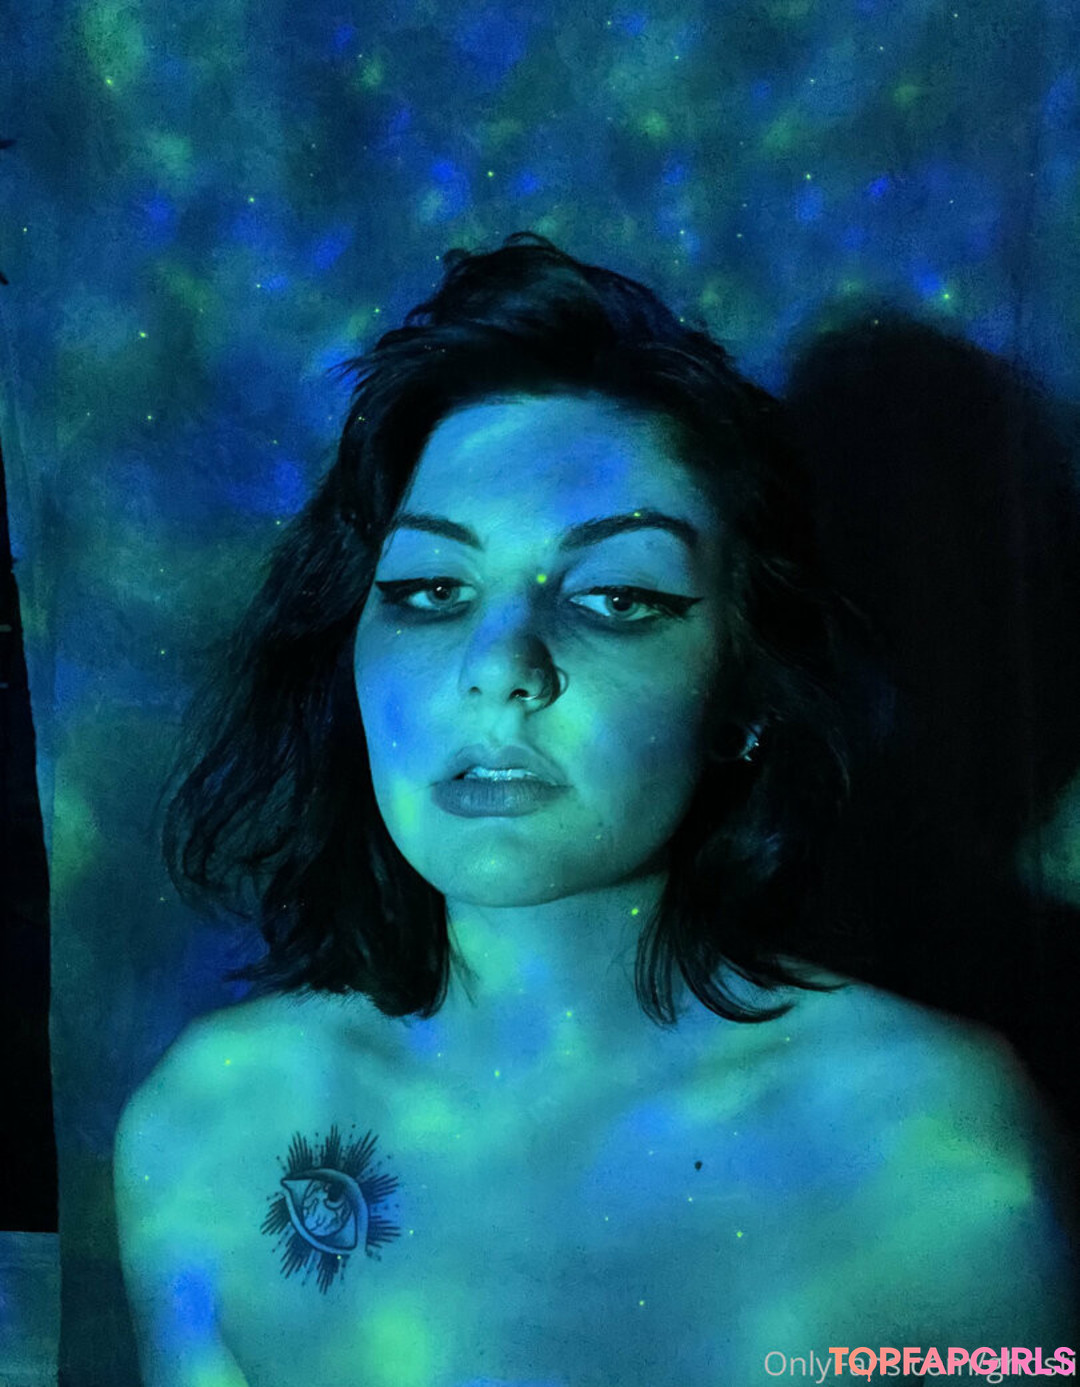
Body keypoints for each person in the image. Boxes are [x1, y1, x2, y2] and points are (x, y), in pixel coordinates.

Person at [113, 233, 1076, 1387]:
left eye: (617, 597)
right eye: (429, 589)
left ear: (746, 689)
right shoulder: (213, 1122)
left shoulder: (924, 1148)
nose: (500, 665)